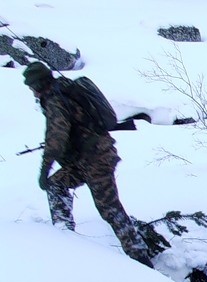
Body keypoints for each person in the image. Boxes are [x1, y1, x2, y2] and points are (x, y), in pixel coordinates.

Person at [22, 62, 153, 268]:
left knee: (109, 208)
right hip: (83, 160)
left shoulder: (56, 101)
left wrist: (44, 169)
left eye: (32, 87)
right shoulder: (64, 89)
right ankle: (64, 235)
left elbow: (56, 138)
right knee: (57, 185)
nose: (32, 93)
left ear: (39, 84)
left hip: (97, 159)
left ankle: (140, 258)